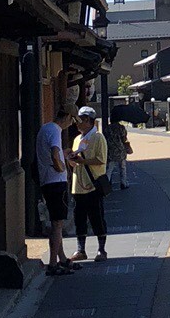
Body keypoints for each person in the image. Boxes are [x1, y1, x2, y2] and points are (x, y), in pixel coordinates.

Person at [35, 110, 74, 275]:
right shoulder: (55, 131)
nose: (71, 124)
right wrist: (61, 167)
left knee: (56, 222)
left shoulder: (46, 128)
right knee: (57, 224)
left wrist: (63, 155)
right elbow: (54, 153)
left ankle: (63, 259)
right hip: (55, 181)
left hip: (47, 180)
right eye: (72, 120)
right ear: (66, 117)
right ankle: (53, 264)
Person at [70, 106, 110, 262]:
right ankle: (81, 249)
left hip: (94, 184)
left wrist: (82, 160)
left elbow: (101, 160)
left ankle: (101, 249)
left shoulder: (98, 137)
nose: (77, 124)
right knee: (79, 217)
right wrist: (71, 160)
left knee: (97, 217)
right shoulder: (77, 139)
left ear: (87, 120)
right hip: (78, 184)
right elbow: (75, 163)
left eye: (79, 120)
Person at [107, 114, 131, 191]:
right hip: (120, 149)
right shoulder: (121, 128)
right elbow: (124, 138)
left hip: (111, 149)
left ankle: (106, 185)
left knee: (109, 168)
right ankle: (123, 183)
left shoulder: (108, 128)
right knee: (122, 167)